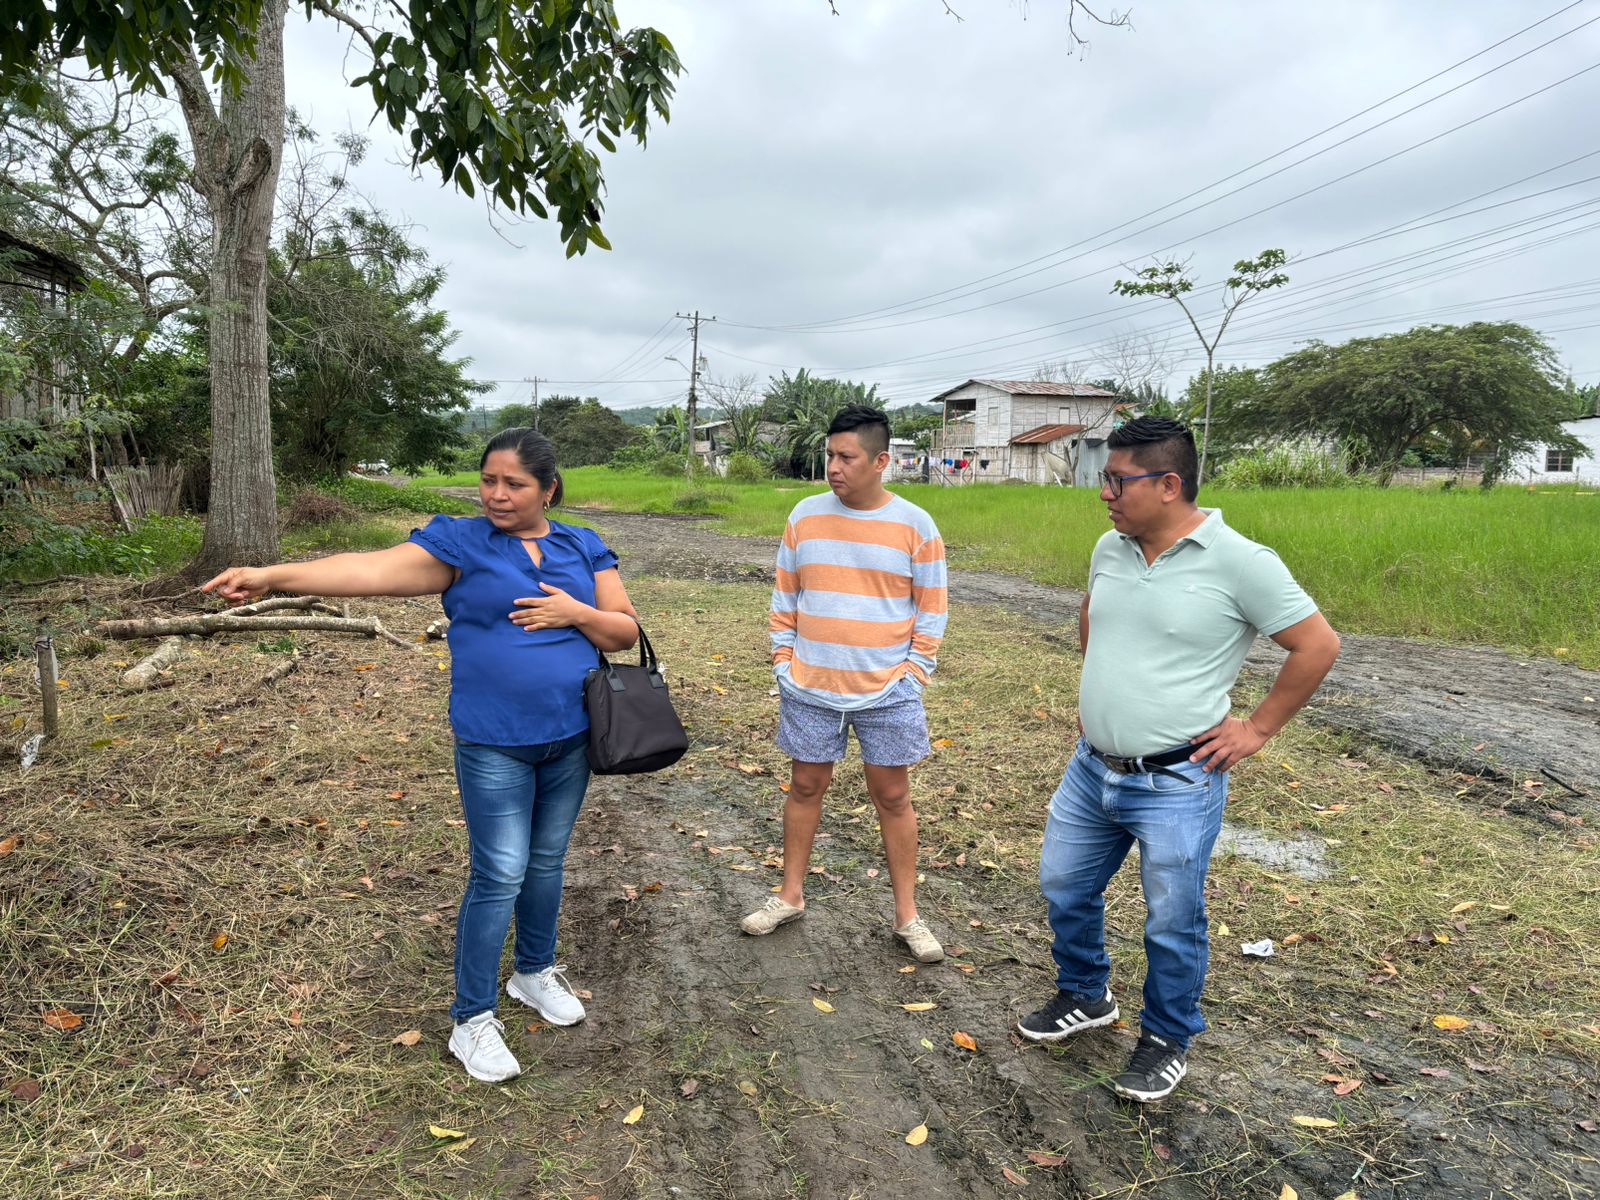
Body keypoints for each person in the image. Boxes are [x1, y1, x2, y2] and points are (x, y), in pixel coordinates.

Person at [203, 428, 639, 1084]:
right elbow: (369, 570)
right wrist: (271, 575)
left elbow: (624, 631)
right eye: (488, 481)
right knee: (500, 873)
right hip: (493, 741)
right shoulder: (462, 543)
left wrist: (574, 612)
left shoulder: (583, 545)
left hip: (571, 737)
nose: (497, 495)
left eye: (514, 484)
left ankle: (533, 972)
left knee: (547, 862)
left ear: (548, 489)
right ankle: (472, 1019)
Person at [1016, 416, 1340, 1103]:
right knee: (1063, 886)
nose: (1104, 493)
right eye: (1105, 479)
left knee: (1171, 919)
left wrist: (1256, 728)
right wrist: (1100, 692)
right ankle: (1086, 993)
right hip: (1092, 767)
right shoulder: (1111, 547)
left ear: (1168, 485)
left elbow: (1317, 645)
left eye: (1117, 480)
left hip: (1177, 779)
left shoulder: (1242, 562)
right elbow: (1094, 613)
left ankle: (1166, 1038)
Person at [739, 404, 949, 962]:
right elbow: (785, 594)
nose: (834, 466)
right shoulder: (805, 515)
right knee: (805, 786)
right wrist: (783, 661)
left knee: (893, 796)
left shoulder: (915, 525)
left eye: (846, 457)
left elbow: (932, 608)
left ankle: (907, 916)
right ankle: (790, 895)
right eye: (830, 455)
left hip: (888, 691)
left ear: (881, 462)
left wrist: (913, 674)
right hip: (809, 685)